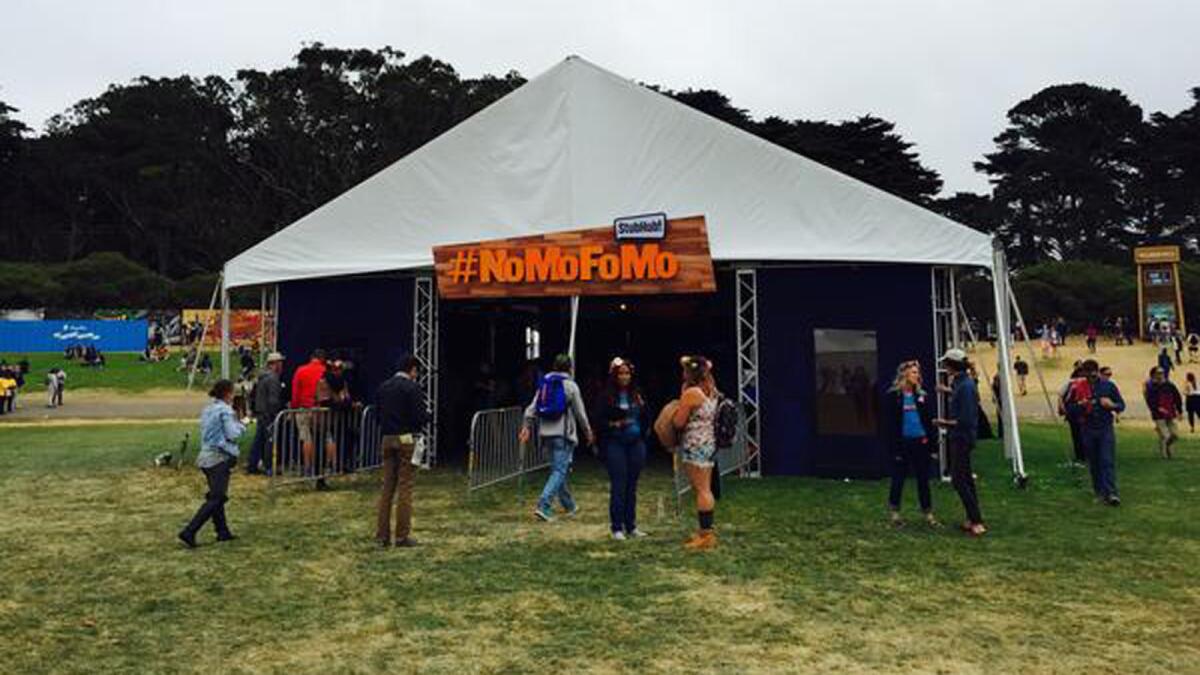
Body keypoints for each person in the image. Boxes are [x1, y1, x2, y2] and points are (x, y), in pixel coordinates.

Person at [519, 354, 593, 522]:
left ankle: (569, 505)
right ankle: (543, 505)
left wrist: (526, 427)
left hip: (544, 433)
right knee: (560, 471)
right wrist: (588, 431)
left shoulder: (544, 384)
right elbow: (580, 413)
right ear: (570, 368)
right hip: (563, 434)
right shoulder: (571, 386)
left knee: (557, 471)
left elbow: (531, 409)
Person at [178, 379, 246, 548]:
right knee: (217, 497)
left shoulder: (208, 409)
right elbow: (233, 434)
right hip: (219, 458)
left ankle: (222, 531)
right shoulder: (225, 411)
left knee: (217, 495)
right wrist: (242, 424)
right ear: (227, 393)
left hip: (206, 456)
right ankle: (190, 531)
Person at [374, 355, 430, 547]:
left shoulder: (383, 387)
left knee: (387, 487)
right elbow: (419, 417)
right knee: (405, 486)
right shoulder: (412, 388)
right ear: (412, 369)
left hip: (387, 438)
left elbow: (377, 414)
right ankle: (402, 535)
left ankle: (382, 535)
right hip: (406, 438)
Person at [596, 357, 650, 540]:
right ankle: (616, 527)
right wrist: (615, 424)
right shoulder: (606, 395)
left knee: (632, 486)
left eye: (627, 373)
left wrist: (644, 432)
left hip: (636, 442)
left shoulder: (638, 393)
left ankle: (631, 526)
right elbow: (599, 420)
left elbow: (646, 416)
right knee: (619, 484)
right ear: (615, 375)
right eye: (621, 373)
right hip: (615, 443)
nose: (624, 377)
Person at [933, 349, 985, 537]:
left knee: (958, 480)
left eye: (946, 363)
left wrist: (942, 422)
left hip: (962, 437)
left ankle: (976, 520)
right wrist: (946, 390)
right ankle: (973, 518)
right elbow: (959, 394)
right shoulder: (961, 383)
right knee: (966, 479)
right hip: (961, 436)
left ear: (951, 365)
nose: (944, 367)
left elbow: (965, 419)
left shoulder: (965, 386)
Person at [671, 355, 721, 550]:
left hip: (696, 444)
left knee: (702, 490)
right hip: (708, 443)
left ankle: (706, 535)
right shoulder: (711, 389)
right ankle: (705, 532)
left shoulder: (692, 393)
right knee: (705, 487)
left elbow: (679, 422)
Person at [886, 360, 938, 527]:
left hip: (921, 442)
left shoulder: (922, 395)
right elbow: (890, 424)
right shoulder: (894, 396)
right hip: (903, 443)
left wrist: (932, 445)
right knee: (898, 478)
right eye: (914, 372)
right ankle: (895, 513)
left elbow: (929, 422)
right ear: (904, 375)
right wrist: (894, 447)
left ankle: (928, 513)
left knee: (923, 479)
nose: (917, 376)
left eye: (918, 373)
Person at [1068, 360, 1124, 505]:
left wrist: (1112, 405)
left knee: (1107, 460)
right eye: (1088, 375)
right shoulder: (1078, 387)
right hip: (1087, 427)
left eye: (1094, 374)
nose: (1091, 378)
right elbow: (1070, 409)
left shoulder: (1108, 386)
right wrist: (1080, 405)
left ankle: (1111, 493)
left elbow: (1121, 405)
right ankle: (1099, 491)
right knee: (1094, 462)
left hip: (1105, 427)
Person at [290, 349, 328, 487]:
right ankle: (328, 467)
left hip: (304, 408)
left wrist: (293, 408)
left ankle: (307, 467)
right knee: (325, 438)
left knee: (306, 438)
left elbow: (295, 392)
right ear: (322, 358)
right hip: (321, 410)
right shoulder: (325, 371)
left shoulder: (301, 370)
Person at [247, 352, 286, 475]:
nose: (282, 365)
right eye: (280, 362)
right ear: (274, 364)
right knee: (270, 440)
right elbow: (273, 400)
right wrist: (278, 411)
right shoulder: (273, 379)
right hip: (269, 414)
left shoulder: (262, 377)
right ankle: (269, 467)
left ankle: (252, 465)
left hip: (260, 412)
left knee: (259, 440)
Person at [1144, 367, 1182, 459]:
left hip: (1170, 412)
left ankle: (1168, 446)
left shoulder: (1169, 385)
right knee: (1165, 435)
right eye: (1159, 373)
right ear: (1154, 375)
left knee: (1175, 435)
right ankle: (1165, 455)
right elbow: (1150, 401)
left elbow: (1177, 397)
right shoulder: (1151, 387)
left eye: (1162, 372)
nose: (1161, 374)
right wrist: (1157, 408)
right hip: (1158, 415)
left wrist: (1179, 410)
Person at [1059, 364, 1088, 465]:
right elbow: (1061, 395)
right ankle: (1082, 455)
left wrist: (1063, 408)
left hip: (1074, 411)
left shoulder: (1071, 383)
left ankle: (1081, 455)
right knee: (1079, 434)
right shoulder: (1071, 383)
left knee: (1078, 434)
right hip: (1076, 410)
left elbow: (1061, 396)